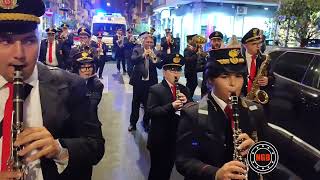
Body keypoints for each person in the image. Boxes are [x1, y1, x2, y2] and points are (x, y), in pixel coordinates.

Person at [0, 0, 105, 179]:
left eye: (29, 41)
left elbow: (95, 147)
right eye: (5, 41)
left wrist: (59, 149)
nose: (19, 54)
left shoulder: (72, 86)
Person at [175, 48, 263, 180]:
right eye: (224, 77)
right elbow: (183, 161)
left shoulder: (255, 111)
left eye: (238, 76)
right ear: (210, 80)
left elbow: (269, 160)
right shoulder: (193, 113)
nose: (233, 84)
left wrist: (256, 151)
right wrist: (215, 173)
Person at [147, 53, 192, 180]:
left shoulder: (184, 89)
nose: (176, 73)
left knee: (168, 168)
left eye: (178, 70)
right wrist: (171, 106)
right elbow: (151, 111)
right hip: (160, 139)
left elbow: (192, 111)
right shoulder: (156, 89)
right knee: (157, 171)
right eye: (172, 70)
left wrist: (187, 102)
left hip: (177, 137)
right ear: (165, 71)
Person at [128, 33, 162, 132]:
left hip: (150, 82)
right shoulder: (137, 50)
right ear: (143, 42)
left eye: (151, 42)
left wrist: (153, 57)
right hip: (138, 81)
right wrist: (143, 55)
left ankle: (146, 122)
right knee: (135, 103)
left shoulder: (156, 51)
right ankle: (132, 123)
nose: (149, 44)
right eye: (147, 42)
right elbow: (133, 60)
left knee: (149, 104)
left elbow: (159, 65)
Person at [241, 28, 274, 96]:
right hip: (242, 97)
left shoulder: (264, 59)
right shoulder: (238, 59)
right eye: (254, 44)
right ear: (245, 45)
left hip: (258, 98)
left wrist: (268, 79)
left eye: (259, 43)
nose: (258, 46)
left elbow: (272, 77)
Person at [201, 31, 224, 97]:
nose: (216, 43)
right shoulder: (206, 54)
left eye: (219, 40)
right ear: (210, 42)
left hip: (221, 86)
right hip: (207, 85)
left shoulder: (225, 55)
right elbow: (198, 68)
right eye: (214, 40)